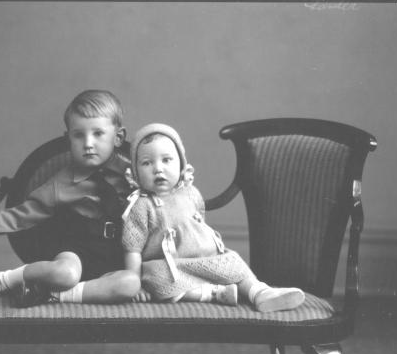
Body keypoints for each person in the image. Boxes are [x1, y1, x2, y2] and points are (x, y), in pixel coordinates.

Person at [0, 90, 143, 307]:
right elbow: (22, 214)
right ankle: (0, 281)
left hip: (116, 254)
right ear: (68, 138)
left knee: (131, 283)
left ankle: (52, 295)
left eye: (98, 134)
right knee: (66, 273)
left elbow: (163, 208)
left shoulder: (135, 175)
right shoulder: (62, 182)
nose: (88, 143)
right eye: (79, 135)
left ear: (118, 137)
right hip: (75, 250)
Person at [121, 123, 305, 312]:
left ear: (182, 165)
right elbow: (132, 249)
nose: (158, 169)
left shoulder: (190, 193)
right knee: (159, 282)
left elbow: (199, 223)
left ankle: (260, 292)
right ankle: (215, 293)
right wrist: (136, 284)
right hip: (171, 267)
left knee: (234, 264)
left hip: (207, 259)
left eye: (167, 160)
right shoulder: (142, 205)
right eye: (146, 163)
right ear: (135, 172)